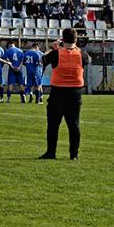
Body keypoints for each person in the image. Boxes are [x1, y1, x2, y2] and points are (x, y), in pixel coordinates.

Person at [39, 28, 90, 160]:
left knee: (53, 124)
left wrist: (54, 48)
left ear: (62, 39)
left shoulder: (56, 54)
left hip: (58, 91)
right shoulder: (82, 55)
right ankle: (74, 154)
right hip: (75, 92)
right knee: (74, 124)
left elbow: (43, 59)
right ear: (76, 40)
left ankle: (51, 152)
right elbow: (87, 59)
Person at [4, 39, 27, 103]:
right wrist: (19, 67)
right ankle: (22, 97)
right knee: (21, 84)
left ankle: (8, 98)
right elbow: (22, 60)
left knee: (10, 84)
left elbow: (7, 60)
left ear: (9, 45)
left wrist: (12, 66)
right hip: (19, 69)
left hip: (12, 69)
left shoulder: (7, 51)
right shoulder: (20, 50)